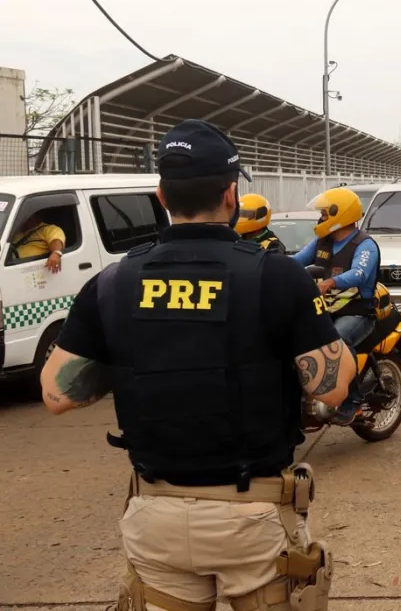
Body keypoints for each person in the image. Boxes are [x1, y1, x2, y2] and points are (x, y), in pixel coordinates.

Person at [39, 118, 356, 611]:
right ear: (231, 195)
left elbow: (57, 394)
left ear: (162, 196)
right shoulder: (276, 276)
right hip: (252, 516)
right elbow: (331, 388)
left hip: (156, 516)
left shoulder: (114, 283)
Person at [292, 187, 382, 423]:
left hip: (358, 312)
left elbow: (359, 273)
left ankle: (353, 401)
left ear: (340, 214)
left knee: (338, 341)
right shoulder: (322, 242)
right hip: (326, 309)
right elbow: (296, 261)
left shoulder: (365, 245)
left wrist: (331, 282)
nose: (320, 218)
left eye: (324, 214)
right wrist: (268, 265)